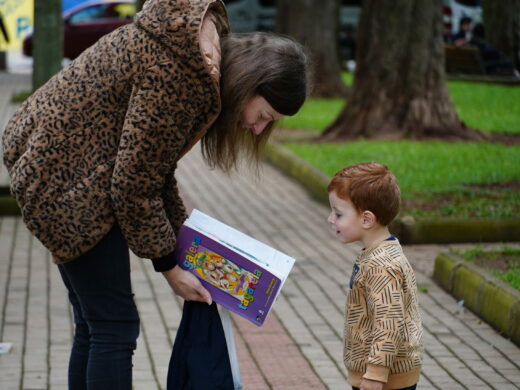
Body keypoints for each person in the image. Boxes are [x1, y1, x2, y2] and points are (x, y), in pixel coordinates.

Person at [1, 0, 309, 388]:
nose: (259, 129)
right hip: (68, 186)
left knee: (96, 324)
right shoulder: (181, 74)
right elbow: (133, 185)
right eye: (265, 115)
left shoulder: (190, 53)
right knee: (114, 327)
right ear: (250, 81)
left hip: (59, 170)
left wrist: (187, 242)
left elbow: (154, 170)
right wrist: (169, 266)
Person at [327, 162, 423, 390]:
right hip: (377, 374)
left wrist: (376, 374)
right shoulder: (377, 253)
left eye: (338, 213)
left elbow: (388, 324)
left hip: (385, 379)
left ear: (367, 219)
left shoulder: (382, 265)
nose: (330, 219)